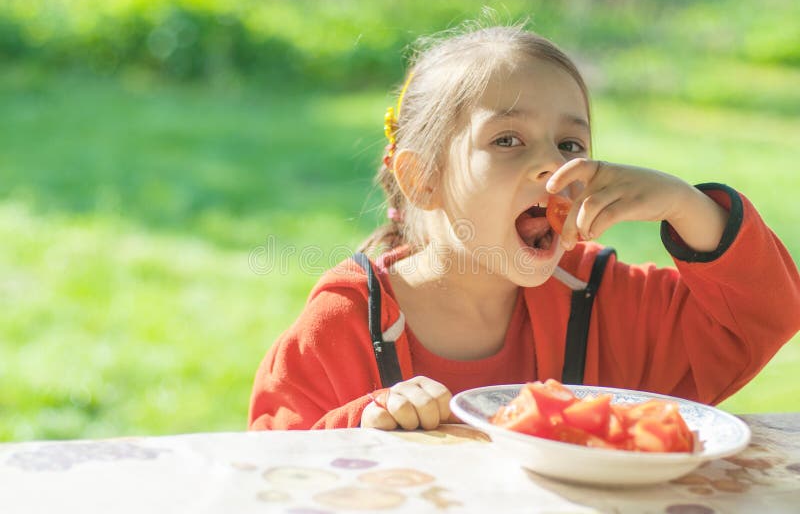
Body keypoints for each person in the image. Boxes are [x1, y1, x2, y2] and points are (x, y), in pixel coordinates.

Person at [249, 24, 800, 431]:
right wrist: (366, 420)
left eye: (570, 145)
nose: (552, 167)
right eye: (507, 140)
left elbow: (763, 316)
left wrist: (688, 206)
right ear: (421, 179)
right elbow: (271, 462)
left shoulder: (601, 301)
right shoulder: (345, 322)